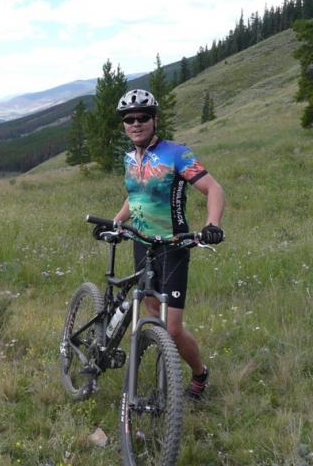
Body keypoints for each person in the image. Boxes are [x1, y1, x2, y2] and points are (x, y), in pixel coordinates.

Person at [105, 89, 225, 402]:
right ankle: (165, 369)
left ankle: (199, 373)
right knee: (151, 314)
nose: (135, 123)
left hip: (173, 245)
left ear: (154, 120)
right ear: (124, 125)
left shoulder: (176, 154)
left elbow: (213, 189)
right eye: (129, 119)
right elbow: (136, 195)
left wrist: (212, 226)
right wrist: (118, 221)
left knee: (171, 328)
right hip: (141, 244)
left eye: (142, 117)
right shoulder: (130, 157)